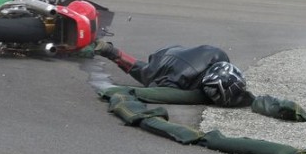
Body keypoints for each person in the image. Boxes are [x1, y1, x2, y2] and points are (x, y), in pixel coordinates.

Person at [94, 41, 249, 106]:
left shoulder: (220, 56)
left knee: (146, 71)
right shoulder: (177, 81)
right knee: (147, 75)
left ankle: (109, 50)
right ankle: (112, 53)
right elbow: (153, 92)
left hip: (174, 49)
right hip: (163, 63)